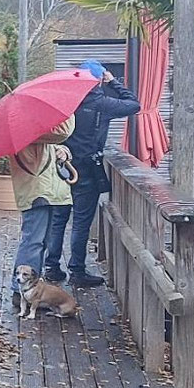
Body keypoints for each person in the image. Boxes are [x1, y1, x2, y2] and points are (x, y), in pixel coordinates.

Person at [49, 62, 142, 287]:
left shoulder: (65, 101)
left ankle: (51, 268)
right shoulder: (101, 103)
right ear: (99, 80)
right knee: (81, 222)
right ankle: (77, 271)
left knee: (58, 219)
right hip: (87, 169)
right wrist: (114, 82)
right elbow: (134, 104)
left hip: (62, 167)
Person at [8, 117, 76, 304]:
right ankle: (20, 293)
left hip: (46, 192)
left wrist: (65, 152)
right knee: (33, 242)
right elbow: (62, 133)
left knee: (41, 242)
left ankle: (31, 291)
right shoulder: (23, 126)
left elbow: (50, 146)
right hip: (36, 192)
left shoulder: (36, 129)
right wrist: (69, 113)